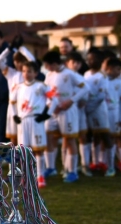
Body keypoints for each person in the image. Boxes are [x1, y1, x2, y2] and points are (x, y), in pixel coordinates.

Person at [42, 51, 89, 183]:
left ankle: (73, 172)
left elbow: (85, 88)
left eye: (47, 65)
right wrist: (51, 104)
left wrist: (71, 100)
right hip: (53, 111)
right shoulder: (49, 75)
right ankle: (51, 167)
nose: (46, 68)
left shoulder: (69, 74)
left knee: (69, 140)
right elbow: (48, 93)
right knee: (49, 137)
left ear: (55, 63)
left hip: (68, 111)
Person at [11, 61, 56, 188]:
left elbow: (55, 99)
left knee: (38, 150)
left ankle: (40, 175)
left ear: (36, 73)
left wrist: (47, 114)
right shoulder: (19, 87)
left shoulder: (41, 86)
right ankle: (27, 176)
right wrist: (15, 115)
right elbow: (12, 102)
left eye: (29, 71)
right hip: (23, 121)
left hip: (36, 121)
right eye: (24, 71)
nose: (26, 74)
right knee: (25, 151)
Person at [0, 34, 36, 145]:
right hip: (12, 108)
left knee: (26, 137)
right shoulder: (10, 73)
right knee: (13, 138)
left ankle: (26, 158)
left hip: (24, 107)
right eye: (16, 61)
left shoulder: (28, 74)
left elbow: (33, 61)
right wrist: (9, 49)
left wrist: (22, 48)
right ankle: (14, 160)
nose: (17, 64)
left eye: (21, 61)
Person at [83, 49, 110, 175]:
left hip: (98, 110)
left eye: (93, 59)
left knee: (104, 136)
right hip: (87, 110)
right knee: (90, 136)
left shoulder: (102, 76)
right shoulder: (86, 74)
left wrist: (89, 108)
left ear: (100, 61)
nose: (90, 61)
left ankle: (109, 166)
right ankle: (93, 163)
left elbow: (100, 96)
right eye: (88, 59)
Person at [65, 52, 91, 177]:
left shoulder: (82, 78)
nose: (75, 65)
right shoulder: (64, 78)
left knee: (83, 136)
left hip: (80, 112)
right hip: (68, 112)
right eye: (73, 62)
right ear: (67, 63)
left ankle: (85, 164)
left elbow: (86, 92)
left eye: (78, 63)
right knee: (67, 138)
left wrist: (83, 101)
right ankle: (67, 167)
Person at [103, 58, 121, 175]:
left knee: (115, 138)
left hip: (115, 113)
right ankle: (107, 164)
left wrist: (120, 118)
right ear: (109, 68)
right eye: (118, 69)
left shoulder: (120, 82)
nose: (119, 72)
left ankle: (112, 166)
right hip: (102, 113)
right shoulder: (102, 80)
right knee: (105, 139)